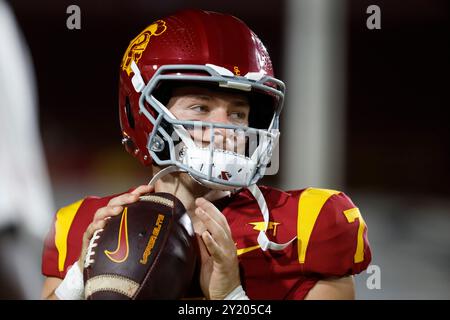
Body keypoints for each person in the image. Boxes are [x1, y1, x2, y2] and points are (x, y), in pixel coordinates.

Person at [41, 9, 371, 300]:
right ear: (143, 115)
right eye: (201, 107)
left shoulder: (308, 224)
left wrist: (231, 298)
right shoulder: (89, 224)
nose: (227, 129)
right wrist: (76, 282)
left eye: (239, 114)